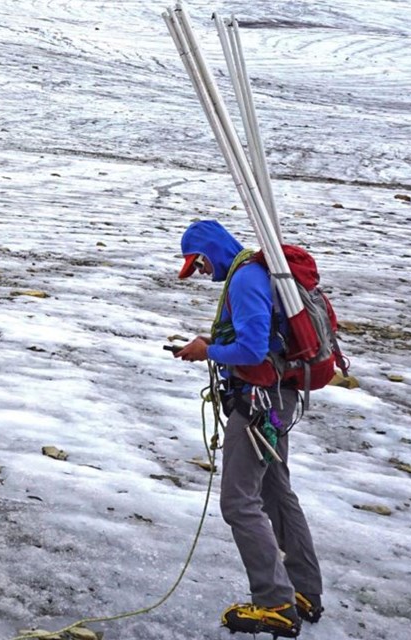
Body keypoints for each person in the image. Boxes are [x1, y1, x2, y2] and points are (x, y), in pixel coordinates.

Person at [175, 220, 323, 638]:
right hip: (279, 397)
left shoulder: (244, 279)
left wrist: (210, 350)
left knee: (239, 502)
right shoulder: (258, 273)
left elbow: (253, 348)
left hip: (258, 402)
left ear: (212, 250)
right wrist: (212, 344)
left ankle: (275, 602)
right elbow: (263, 339)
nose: (202, 272)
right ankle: (304, 592)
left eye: (199, 264)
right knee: (276, 492)